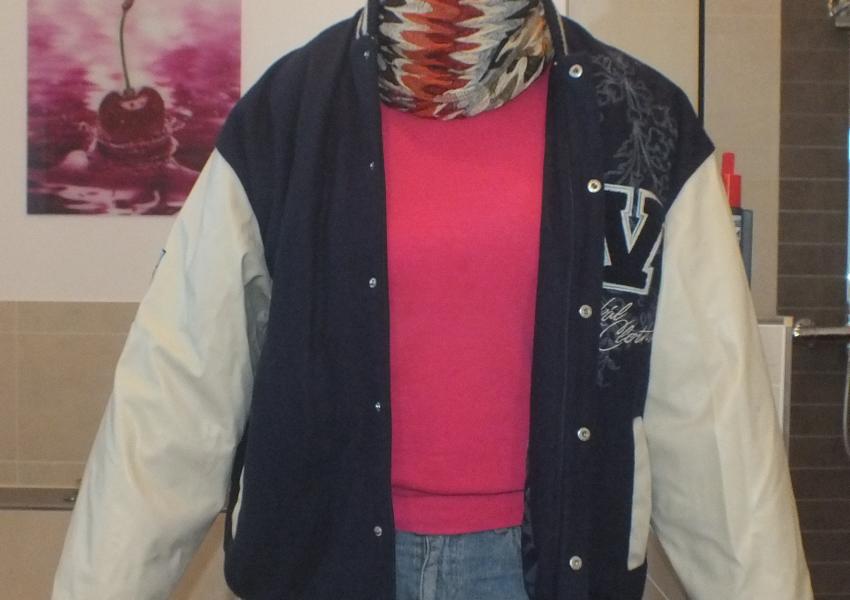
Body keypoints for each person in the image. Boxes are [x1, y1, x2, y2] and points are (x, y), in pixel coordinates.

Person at [52, 1, 814, 599]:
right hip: (324, 560)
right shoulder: (291, 114)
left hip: (543, 570)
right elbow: (178, 385)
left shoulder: (638, 120)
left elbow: (711, 410)